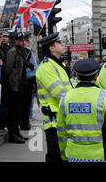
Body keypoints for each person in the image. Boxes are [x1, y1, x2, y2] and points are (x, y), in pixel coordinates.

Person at [57, 58, 106, 162]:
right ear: (96, 76)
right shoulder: (105, 97)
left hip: (73, 155)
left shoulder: (65, 98)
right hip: (100, 156)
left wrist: (64, 155)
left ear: (77, 76)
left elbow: (61, 131)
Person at [36, 32, 74, 162]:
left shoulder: (60, 64)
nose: (63, 44)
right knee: (55, 156)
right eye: (59, 43)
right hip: (54, 120)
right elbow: (60, 93)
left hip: (63, 117)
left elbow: (71, 86)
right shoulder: (46, 67)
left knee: (63, 155)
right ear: (51, 48)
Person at [4, 32, 28, 143]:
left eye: (24, 40)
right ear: (17, 41)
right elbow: (8, 69)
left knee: (18, 111)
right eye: (21, 40)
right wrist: (10, 83)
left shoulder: (21, 51)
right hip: (13, 86)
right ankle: (13, 134)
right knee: (13, 112)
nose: (23, 42)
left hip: (21, 85)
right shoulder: (12, 52)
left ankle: (17, 132)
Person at [21, 32, 37, 130]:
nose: (27, 42)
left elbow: (34, 67)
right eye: (25, 40)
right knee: (24, 103)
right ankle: (24, 122)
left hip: (30, 79)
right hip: (24, 79)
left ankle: (27, 120)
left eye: (27, 40)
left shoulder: (29, 51)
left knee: (28, 102)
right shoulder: (22, 51)